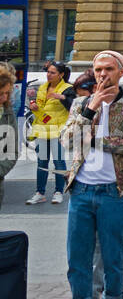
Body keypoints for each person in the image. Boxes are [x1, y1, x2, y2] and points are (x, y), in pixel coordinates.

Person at [61, 50, 123, 299]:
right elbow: (68, 139)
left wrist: (93, 138)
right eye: (98, 69)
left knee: (113, 255)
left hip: (115, 190)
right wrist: (89, 110)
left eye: (108, 68)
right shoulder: (81, 103)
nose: (102, 74)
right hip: (82, 190)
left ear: (121, 72)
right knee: (79, 255)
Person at [25, 60, 72, 204]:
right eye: (48, 72)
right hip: (42, 130)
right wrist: (34, 107)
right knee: (42, 163)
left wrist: (62, 97)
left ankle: (58, 191)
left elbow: (74, 104)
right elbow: (40, 108)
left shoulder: (67, 88)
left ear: (61, 74)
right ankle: (40, 192)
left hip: (57, 131)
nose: (49, 75)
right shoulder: (43, 87)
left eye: (53, 72)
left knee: (59, 163)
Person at [0, 62, 18, 210]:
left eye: (7, 93)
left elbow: (12, 151)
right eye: (1, 93)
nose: (4, 98)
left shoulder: (7, 112)